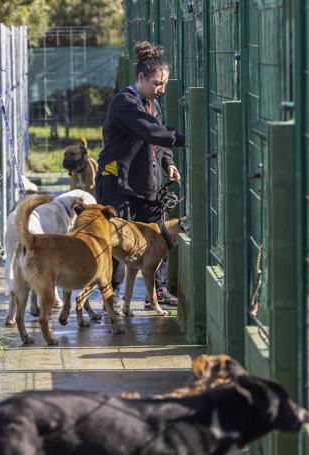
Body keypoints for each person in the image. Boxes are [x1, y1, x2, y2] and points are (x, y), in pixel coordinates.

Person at [95, 41, 185, 308]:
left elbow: (156, 138)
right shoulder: (124, 103)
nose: (162, 89)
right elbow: (148, 131)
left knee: (159, 239)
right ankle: (111, 296)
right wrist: (182, 139)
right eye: (158, 83)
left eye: (165, 84)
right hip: (118, 185)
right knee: (116, 244)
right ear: (141, 78)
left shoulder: (152, 104)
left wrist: (168, 161)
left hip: (148, 184)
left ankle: (156, 292)